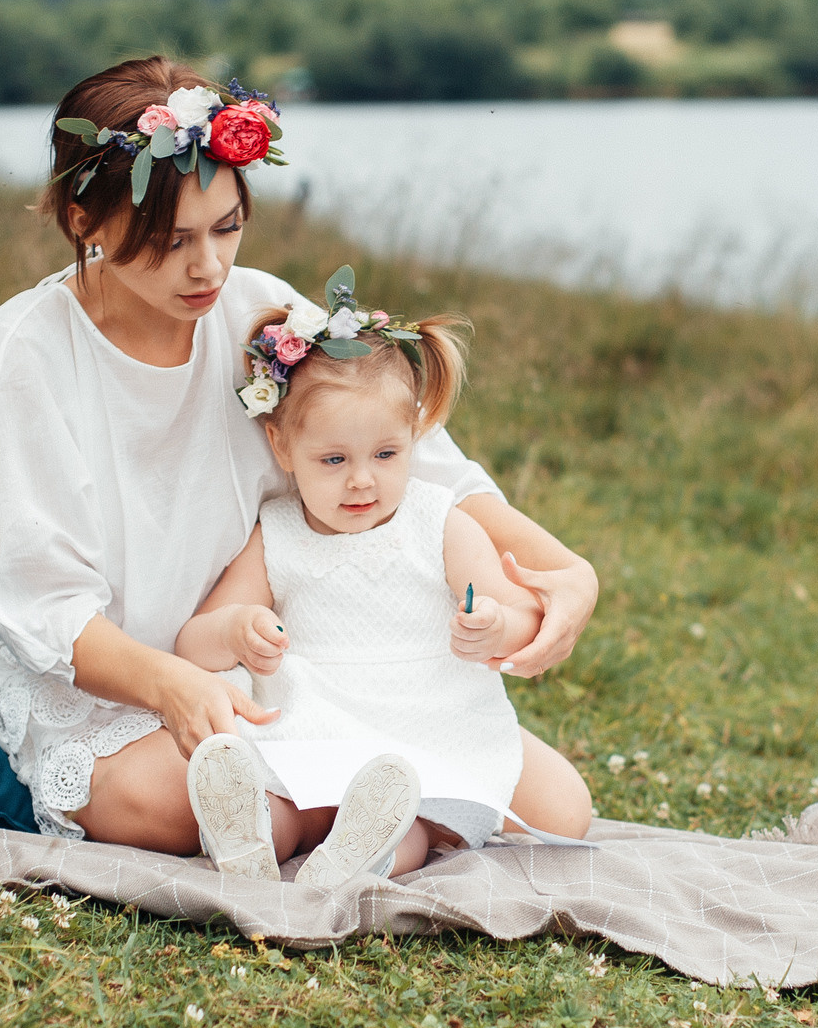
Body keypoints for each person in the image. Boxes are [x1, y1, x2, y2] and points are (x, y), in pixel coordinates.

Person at [0, 55, 600, 867]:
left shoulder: (257, 316)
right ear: (83, 220)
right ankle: (368, 814)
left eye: (227, 227)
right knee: (167, 802)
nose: (208, 267)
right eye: (169, 242)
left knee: (559, 809)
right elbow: (49, 606)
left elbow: (418, 461)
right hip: (104, 674)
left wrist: (570, 573)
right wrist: (173, 687)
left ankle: (354, 803)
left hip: (266, 666)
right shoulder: (25, 353)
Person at [169, 272, 595, 886]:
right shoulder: (279, 534)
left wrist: (497, 625)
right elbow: (193, 642)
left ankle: (365, 852)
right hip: (320, 721)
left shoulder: (440, 523)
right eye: (334, 460)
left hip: (428, 721)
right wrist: (237, 630)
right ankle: (248, 835)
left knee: (460, 812)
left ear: (414, 441)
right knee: (291, 802)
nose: (362, 481)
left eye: (386, 455)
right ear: (282, 447)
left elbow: (525, 617)